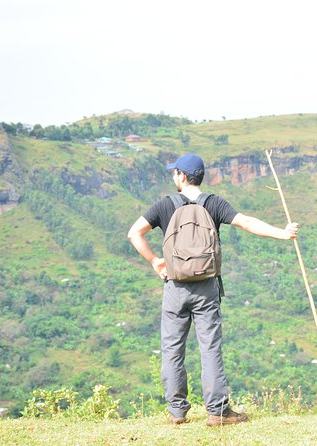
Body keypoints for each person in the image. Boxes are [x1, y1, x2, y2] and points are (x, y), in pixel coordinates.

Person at [127, 154, 299, 426]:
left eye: (175, 173)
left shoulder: (165, 205)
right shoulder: (213, 204)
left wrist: (154, 262)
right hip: (206, 287)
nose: (173, 177)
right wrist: (283, 233)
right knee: (210, 348)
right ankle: (218, 412)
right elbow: (248, 223)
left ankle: (177, 412)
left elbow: (134, 233)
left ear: (182, 176)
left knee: (172, 349)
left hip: (174, 286)